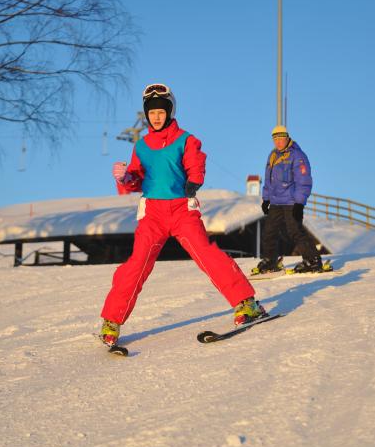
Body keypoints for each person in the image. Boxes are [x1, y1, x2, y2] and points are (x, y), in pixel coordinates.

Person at [99, 83, 267, 346]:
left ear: (170, 111)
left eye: (161, 111)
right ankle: (112, 322)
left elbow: (196, 161)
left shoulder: (186, 139)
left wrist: (195, 180)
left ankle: (247, 303)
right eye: (151, 112)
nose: (156, 116)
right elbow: (136, 179)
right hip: (152, 213)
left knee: (206, 253)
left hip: (180, 209)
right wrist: (125, 177)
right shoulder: (141, 147)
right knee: (136, 264)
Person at [255, 125, 323, 274]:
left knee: (295, 231)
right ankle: (270, 260)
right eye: (275, 139)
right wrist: (266, 199)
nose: (278, 142)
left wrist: (299, 202)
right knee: (269, 231)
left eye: (281, 138)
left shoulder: (297, 155)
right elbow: (268, 179)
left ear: (287, 138)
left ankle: (313, 260)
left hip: (291, 202)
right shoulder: (273, 156)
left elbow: (303, 180)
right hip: (276, 202)